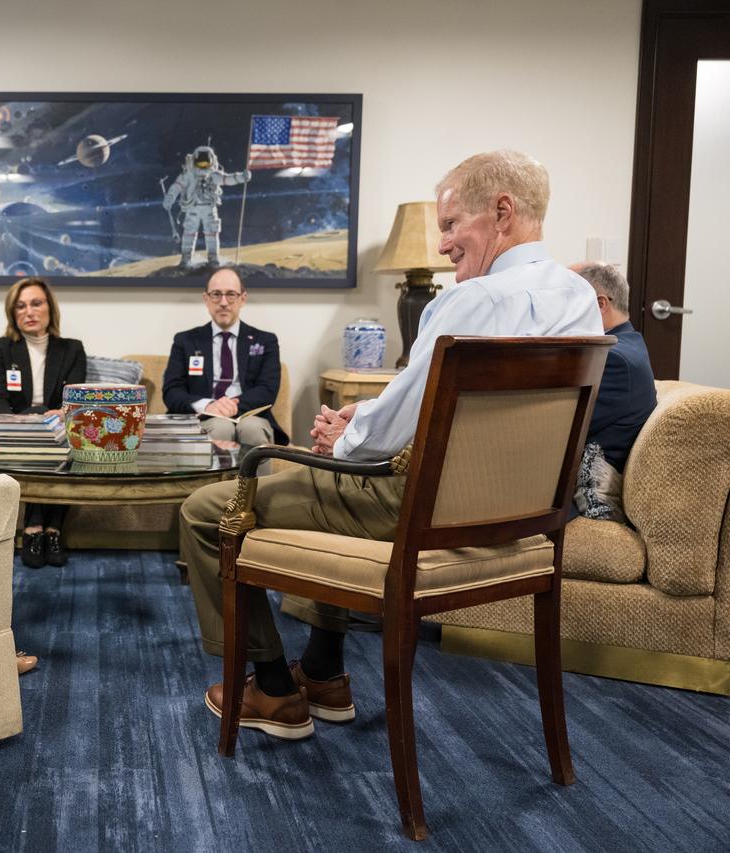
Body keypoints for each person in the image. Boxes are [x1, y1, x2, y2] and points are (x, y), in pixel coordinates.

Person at [180, 150, 603, 740]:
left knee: (206, 511)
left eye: (452, 225)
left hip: (418, 510)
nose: (444, 245)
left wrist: (340, 437)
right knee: (334, 476)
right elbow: (429, 409)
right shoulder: (580, 300)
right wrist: (366, 419)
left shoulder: (468, 301)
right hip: (514, 519)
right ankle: (324, 672)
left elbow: (383, 437)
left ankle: (274, 690)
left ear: (502, 212)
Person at [0, 277, 87, 568]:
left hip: (58, 429)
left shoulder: (72, 349)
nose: (28, 311)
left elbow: (75, 401)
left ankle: (46, 529)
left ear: (49, 309)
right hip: (15, 428)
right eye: (20, 306)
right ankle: (40, 529)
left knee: (69, 437)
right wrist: (33, 418)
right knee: (42, 433)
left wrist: (58, 413)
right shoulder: (1, 348)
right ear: (12, 313)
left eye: (36, 303)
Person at [568, 262, 657, 518]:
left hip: (577, 502)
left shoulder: (614, 360)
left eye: (567, 303)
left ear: (599, 304)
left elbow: (558, 428)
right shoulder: (628, 345)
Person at [162, 268, 288, 448]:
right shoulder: (185, 341)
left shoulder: (266, 340)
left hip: (251, 416)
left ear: (242, 298)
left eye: (230, 294)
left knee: (252, 430)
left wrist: (230, 405)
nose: (223, 302)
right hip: (205, 418)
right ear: (206, 299)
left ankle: (260, 479)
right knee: (219, 427)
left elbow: (267, 391)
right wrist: (208, 406)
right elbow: (172, 392)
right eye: (216, 294)